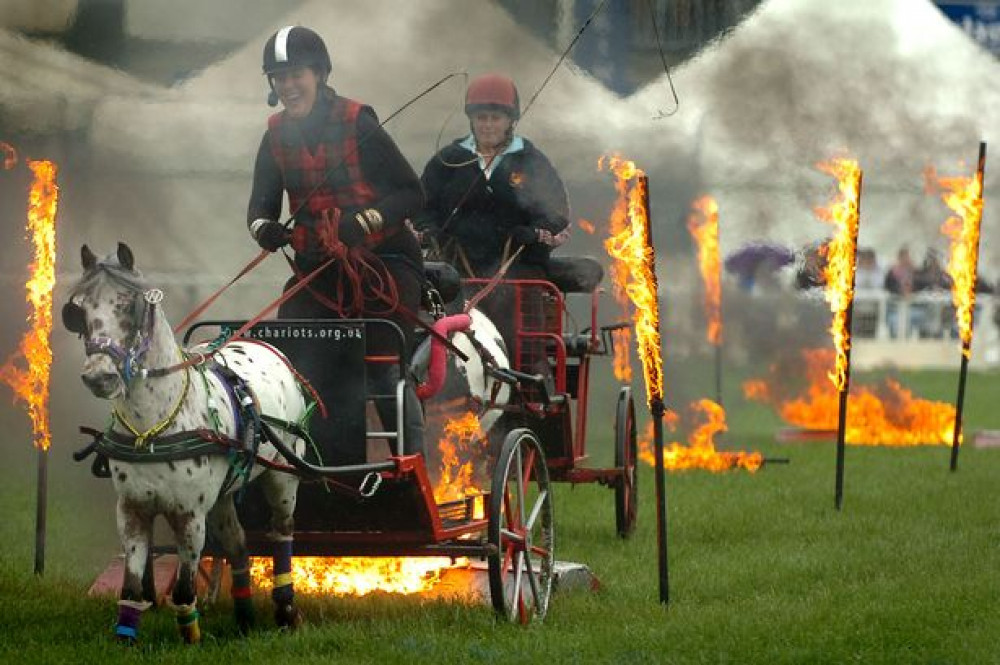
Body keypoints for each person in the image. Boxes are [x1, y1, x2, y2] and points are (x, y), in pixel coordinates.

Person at [246, 25, 425, 466]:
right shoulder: (273, 136)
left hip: (386, 262)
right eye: (279, 77)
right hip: (318, 270)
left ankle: (412, 471)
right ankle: (304, 468)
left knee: (383, 363)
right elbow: (258, 209)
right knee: (292, 354)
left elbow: (412, 194)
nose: (288, 86)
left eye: (296, 74)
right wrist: (265, 229)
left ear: (320, 74)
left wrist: (362, 222)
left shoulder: (358, 122)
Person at [414, 74, 570, 363]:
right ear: (471, 120)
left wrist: (534, 231)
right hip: (455, 270)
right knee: (428, 324)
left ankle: (532, 380)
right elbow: (421, 206)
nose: (487, 125)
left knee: (518, 329)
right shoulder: (447, 160)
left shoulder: (531, 161)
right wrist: (429, 228)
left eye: (495, 118)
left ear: (511, 120)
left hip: (516, 269)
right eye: (481, 117)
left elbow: (557, 211)